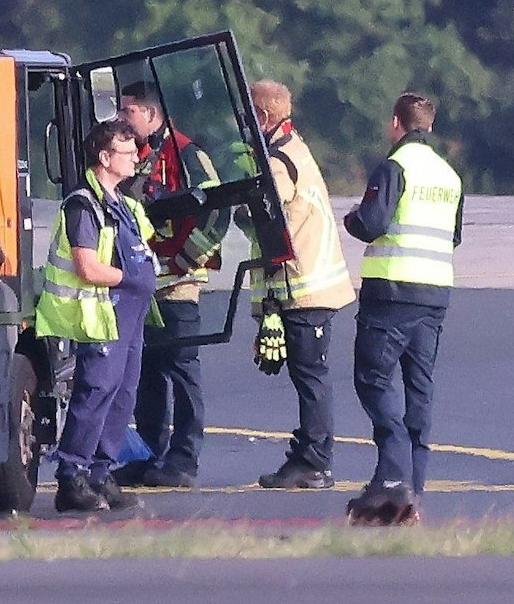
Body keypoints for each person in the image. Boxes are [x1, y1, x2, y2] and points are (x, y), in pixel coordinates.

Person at [341, 92, 463, 526]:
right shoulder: (449, 175)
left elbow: (372, 223)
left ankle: (393, 475)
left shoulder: (395, 166)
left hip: (392, 291)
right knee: (419, 390)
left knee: (373, 378)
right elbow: (453, 236)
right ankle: (413, 485)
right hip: (434, 295)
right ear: (428, 125)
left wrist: (351, 218)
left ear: (397, 122)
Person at [35, 118, 158, 512]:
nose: (136, 160)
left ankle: (101, 475)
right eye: (127, 152)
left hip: (131, 316)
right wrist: (130, 278)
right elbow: (87, 267)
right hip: (102, 314)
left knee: (123, 395)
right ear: (105, 157)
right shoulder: (83, 205)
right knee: (95, 392)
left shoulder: (126, 205)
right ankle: (72, 477)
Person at [111, 82, 226, 488]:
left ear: (151, 113)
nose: (122, 118)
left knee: (182, 372)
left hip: (178, 286)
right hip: (143, 287)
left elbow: (217, 213)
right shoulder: (132, 157)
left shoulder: (188, 154)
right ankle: (148, 454)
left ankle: (183, 459)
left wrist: (185, 258)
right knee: (146, 374)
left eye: (129, 112)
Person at [246, 82, 358, 491]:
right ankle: (311, 453)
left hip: (305, 289)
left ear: (263, 117)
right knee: (309, 375)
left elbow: (265, 217)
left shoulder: (278, 161)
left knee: (311, 376)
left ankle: (314, 459)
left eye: (248, 114)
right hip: (308, 287)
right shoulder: (294, 148)